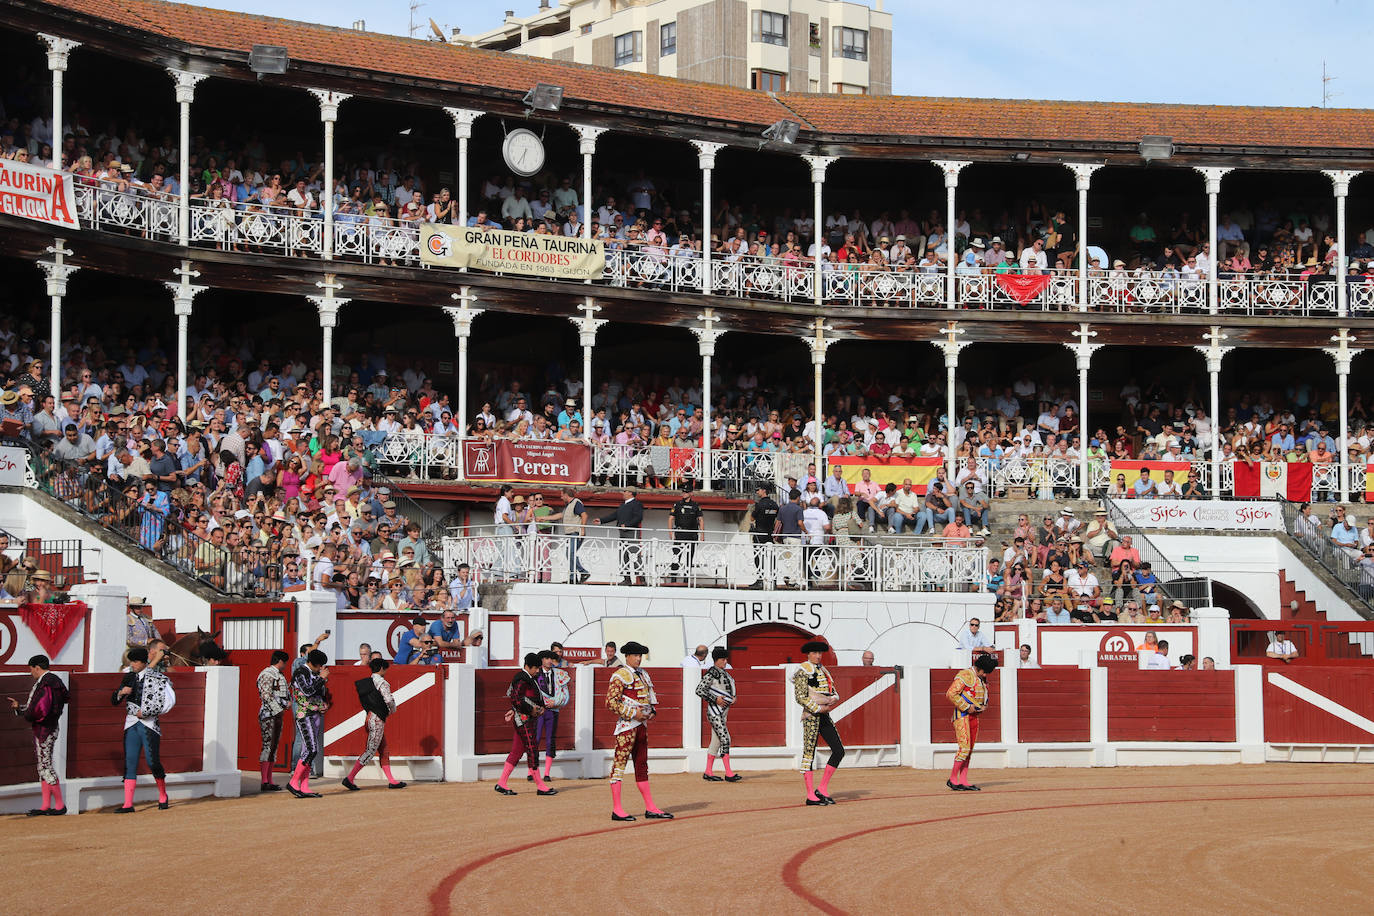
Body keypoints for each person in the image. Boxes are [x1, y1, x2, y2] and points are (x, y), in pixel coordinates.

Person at [605, 640, 671, 821]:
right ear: (627, 656)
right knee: (619, 766)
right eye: (635, 655)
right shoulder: (620, 675)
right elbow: (610, 702)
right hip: (627, 727)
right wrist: (634, 713)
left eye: (640, 655)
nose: (638, 658)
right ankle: (617, 809)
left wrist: (651, 712)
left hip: (642, 727)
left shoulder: (643, 675)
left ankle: (650, 807)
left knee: (642, 766)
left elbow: (650, 699)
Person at [112, 645, 176, 812]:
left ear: (143, 662)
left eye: (135, 661)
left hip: (149, 723)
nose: (132, 664)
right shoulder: (128, 678)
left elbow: (168, 700)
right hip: (131, 722)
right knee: (130, 761)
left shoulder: (157, 677)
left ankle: (163, 795)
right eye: (131, 661)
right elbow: (113, 700)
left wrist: (147, 712)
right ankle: (128, 803)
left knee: (152, 761)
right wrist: (120, 693)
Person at [8, 654, 69, 816]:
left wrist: (27, 713)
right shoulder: (50, 682)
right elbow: (35, 707)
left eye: (31, 669)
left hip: (45, 729)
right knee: (43, 765)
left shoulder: (47, 683)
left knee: (45, 765)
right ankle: (45, 805)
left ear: (36, 667)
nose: (31, 673)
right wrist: (19, 708)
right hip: (47, 727)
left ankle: (60, 805)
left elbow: (40, 709)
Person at [495, 652, 557, 796]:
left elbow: (521, 699)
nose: (537, 671)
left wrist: (515, 709)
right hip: (524, 720)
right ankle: (541, 786)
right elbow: (516, 698)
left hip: (525, 719)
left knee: (517, 751)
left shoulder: (528, 677)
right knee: (532, 749)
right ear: (528, 666)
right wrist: (533, 709)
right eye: (535, 668)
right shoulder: (522, 678)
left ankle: (501, 783)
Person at [793, 639, 844, 806]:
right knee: (809, 753)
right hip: (811, 716)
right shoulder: (802, 671)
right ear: (808, 654)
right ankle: (810, 795)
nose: (818, 656)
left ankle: (821, 789)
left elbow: (833, 691)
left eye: (820, 653)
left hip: (824, 716)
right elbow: (800, 696)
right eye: (814, 653)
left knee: (839, 750)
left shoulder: (824, 670)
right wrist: (818, 708)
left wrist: (833, 700)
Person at [342, 658, 406, 790]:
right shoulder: (382, 683)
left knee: (384, 750)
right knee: (370, 751)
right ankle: (349, 778)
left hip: (370, 717)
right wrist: (393, 710)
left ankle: (392, 781)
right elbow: (388, 700)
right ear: (382, 668)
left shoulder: (369, 682)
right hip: (377, 720)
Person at [945, 653, 998, 791]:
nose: (985, 675)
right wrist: (967, 707)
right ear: (979, 669)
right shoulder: (965, 675)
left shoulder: (980, 679)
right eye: (985, 672)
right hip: (962, 715)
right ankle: (952, 779)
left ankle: (963, 780)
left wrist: (982, 707)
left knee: (969, 750)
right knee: (965, 748)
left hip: (974, 717)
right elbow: (951, 693)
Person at [287, 649, 331, 798]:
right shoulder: (300, 672)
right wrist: (322, 679)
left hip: (314, 713)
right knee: (311, 749)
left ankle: (304, 786)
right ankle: (293, 782)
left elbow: (318, 693)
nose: (320, 669)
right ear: (313, 663)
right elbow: (307, 691)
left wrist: (323, 703)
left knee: (310, 750)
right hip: (304, 714)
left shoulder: (313, 673)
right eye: (319, 666)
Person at [696, 647, 741, 782]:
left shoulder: (725, 674)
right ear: (716, 660)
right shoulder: (712, 674)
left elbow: (728, 690)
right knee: (725, 738)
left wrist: (733, 698)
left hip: (723, 712)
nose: (725, 662)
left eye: (726, 659)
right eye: (723, 659)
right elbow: (699, 690)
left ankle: (708, 772)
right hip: (715, 712)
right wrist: (715, 699)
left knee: (715, 741)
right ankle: (728, 773)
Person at [255, 649, 291, 792]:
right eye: (285, 663)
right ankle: (264, 781)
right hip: (268, 715)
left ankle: (269, 780)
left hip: (276, 714)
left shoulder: (277, 675)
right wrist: (281, 706)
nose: (286, 665)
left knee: (273, 747)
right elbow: (266, 695)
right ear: (280, 661)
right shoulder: (267, 674)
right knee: (268, 746)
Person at [533, 649, 570, 784]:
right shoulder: (536, 674)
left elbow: (565, 695)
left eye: (551, 658)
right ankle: (532, 771)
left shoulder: (559, 675)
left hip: (553, 711)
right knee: (535, 739)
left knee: (550, 740)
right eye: (546, 658)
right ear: (542, 660)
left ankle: (547, 773)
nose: (549, 661)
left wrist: (556, 702)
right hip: (539, 711)